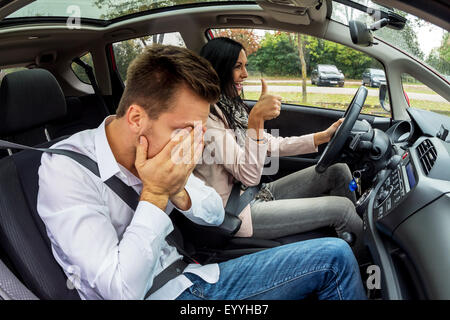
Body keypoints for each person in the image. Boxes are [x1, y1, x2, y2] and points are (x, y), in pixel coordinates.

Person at [37, 44, 366, 300]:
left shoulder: (166, 143)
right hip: (170, 293)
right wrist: (153, 195)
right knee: (333, 257)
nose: (195, 145)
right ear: (136, 118)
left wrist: (178, 190)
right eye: (186, 129)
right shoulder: (66, 171)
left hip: (195, 274)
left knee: (332, 251)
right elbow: (120, 290)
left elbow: (212, 212)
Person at [195, 37, 365, 258]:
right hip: (237, 212)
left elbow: (271, 145)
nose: (245, 74)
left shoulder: (230, 107)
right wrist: (256, 119)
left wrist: (322, 137)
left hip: (258, 193)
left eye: (245, 66)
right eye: (238, 67)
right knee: (342, 209)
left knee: (339, 171)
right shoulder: (207, 119)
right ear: (218, 68)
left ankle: (355, 234)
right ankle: (365, 264)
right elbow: (248, 176)